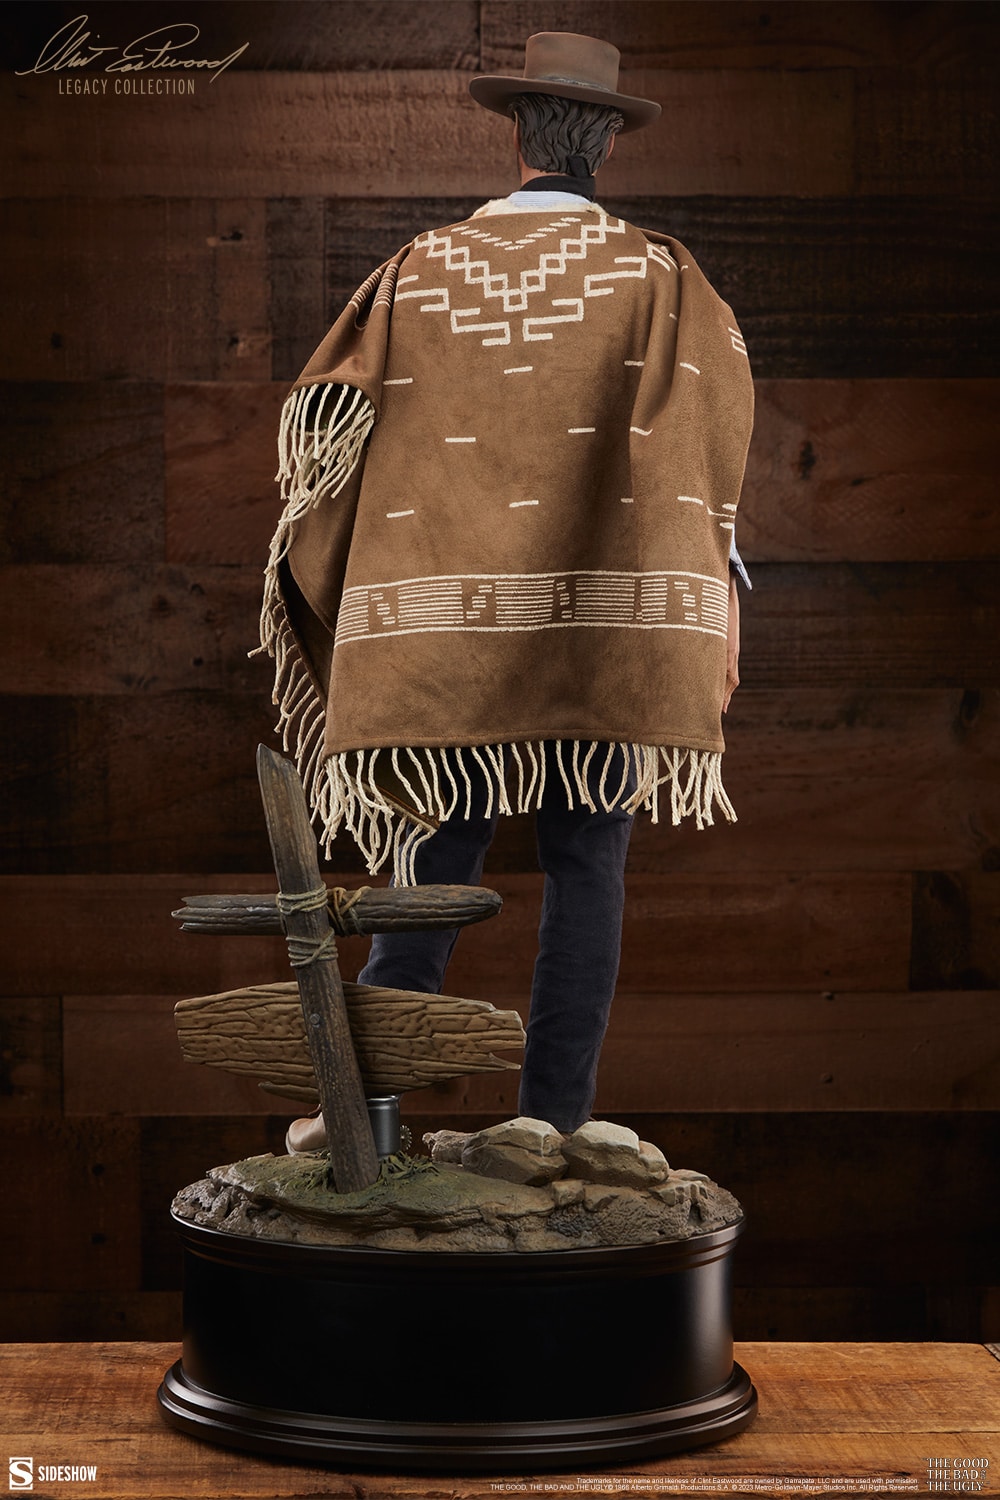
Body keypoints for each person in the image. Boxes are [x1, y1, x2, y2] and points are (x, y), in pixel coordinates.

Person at [262, 34, 754, 1149]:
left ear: (518, 136)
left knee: (431, 853)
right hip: (606, 631)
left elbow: (328, 429)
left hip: (444, 635)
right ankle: (553, 1125)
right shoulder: (663, 279)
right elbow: (709, 450)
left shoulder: (418, 271)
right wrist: (723, 592)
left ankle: (368, 1113)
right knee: (588, 861)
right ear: (605, 145)